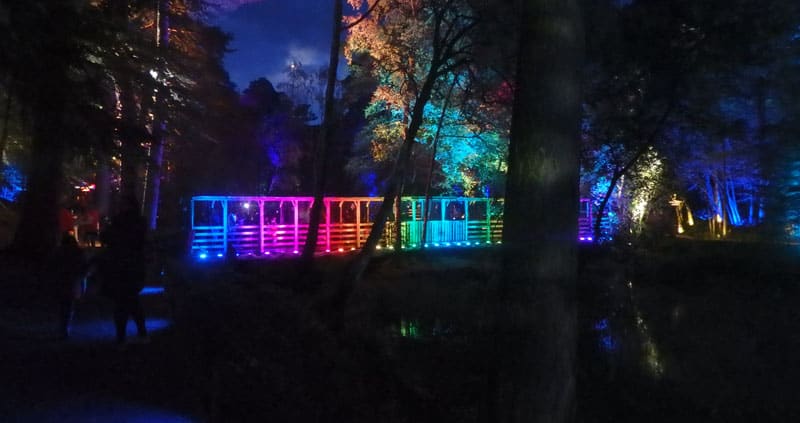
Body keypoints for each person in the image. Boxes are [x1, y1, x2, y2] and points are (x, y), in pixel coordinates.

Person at [100, 195, 149, 345]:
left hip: (120, 266)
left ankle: (121, 336)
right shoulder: (140, 222)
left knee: (122, 303)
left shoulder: (119, 221)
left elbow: (107, 238)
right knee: (132, 300)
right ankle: (141, 332)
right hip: (134, 266)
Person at [48, 231, 87, 339]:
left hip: (61, 281)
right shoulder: (78, 253)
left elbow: (51, 266)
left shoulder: (58, 252)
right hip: (73, 282)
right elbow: (83, 269)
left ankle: (63, 326)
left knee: (63, 305)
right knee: (68, 305)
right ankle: (65, 327)